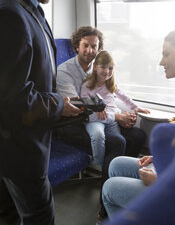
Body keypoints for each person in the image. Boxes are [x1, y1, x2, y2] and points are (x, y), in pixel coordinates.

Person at [0, 0, 82, 225]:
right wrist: (59, 104)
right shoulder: (10, 14)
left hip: (23, 143)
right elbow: (13, 98)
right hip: (19, 150)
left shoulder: (30, 10)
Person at [102, 29, 175, 219]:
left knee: (109, 189)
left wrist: (159, 181)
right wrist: (160, 157)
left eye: (167, 54)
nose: (161, 62)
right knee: (116, 164)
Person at [56, 26, 147, 223]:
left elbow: (112, 94)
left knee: (139, 136)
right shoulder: (65, 71)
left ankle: (120, 186)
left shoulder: (98, 68)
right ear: (76, 47)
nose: (90, 50)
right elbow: (79, 110)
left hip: (101, 118)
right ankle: (105, 208)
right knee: (117, 142)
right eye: (85, 46)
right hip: (73, 124)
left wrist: (129, 111)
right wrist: (117, 117)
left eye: (94, 46)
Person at [80, 50, 150, 166]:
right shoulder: (87, 86)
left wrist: (136, 107)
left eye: (110, 68)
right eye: (103, 67)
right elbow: (86, 109)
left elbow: (124, 97)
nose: (107, 72)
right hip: (96, 119)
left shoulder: (110, 84)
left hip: (111, 119)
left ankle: (120, 167)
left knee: (119, 140)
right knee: (98, 135)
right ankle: (99, 163)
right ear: (95, 67)